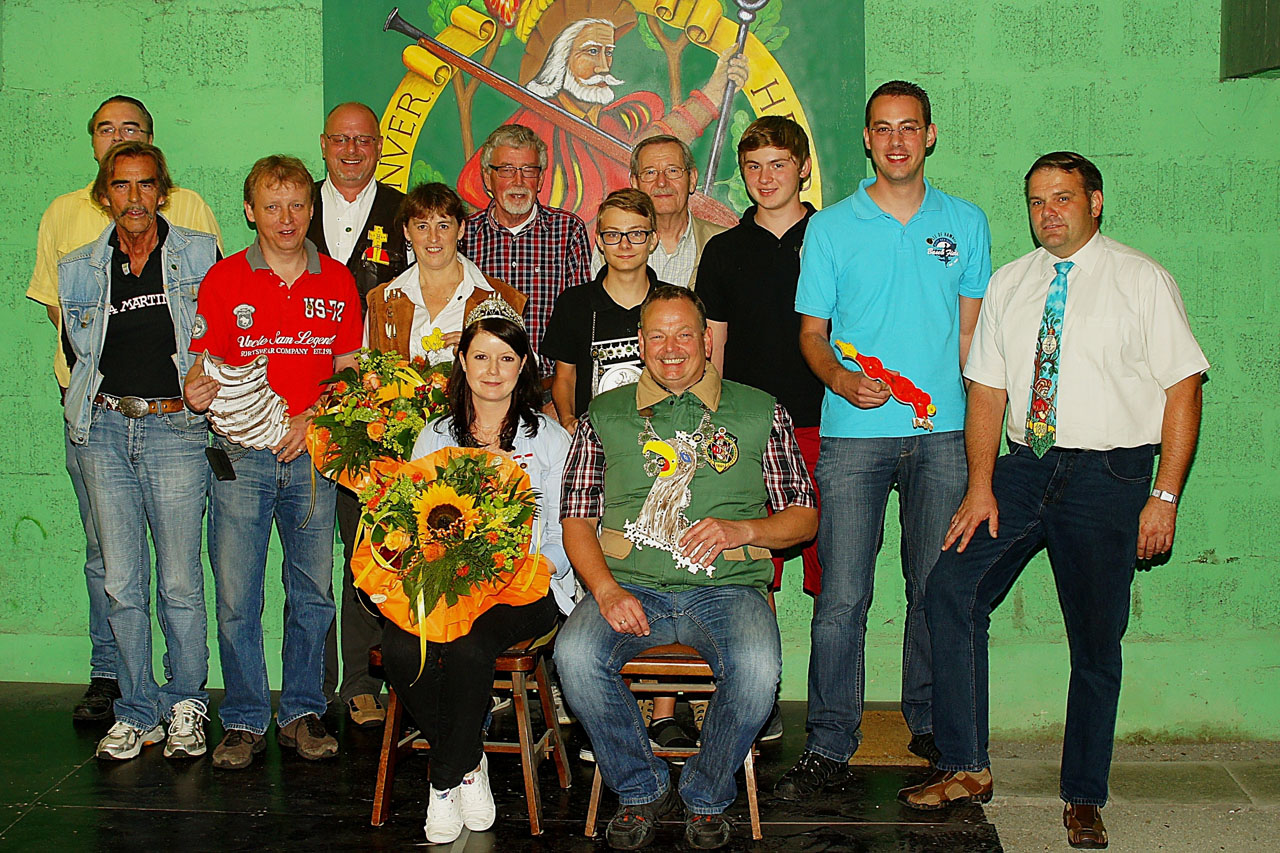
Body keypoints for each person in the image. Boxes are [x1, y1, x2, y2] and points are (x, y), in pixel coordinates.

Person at [899, 152, 1208, 850]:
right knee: (950, 589)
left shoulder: (1141, 279)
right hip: (1024, 467)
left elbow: (1183, 387)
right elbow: (988, 390)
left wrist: (1164, 495)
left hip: (1111, 474)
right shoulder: (1011, 282)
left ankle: (1084, 796)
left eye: (1063, 198)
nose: (1049, 213)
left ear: (1095, 202)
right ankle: (966, 765)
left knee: (1095, 640)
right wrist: (981, 484)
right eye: (1037, 201)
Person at [778, 80, 992, 799]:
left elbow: (972, 339)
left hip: (945, 437)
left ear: (929, 135)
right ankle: (830, 739)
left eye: (909, 127)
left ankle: (930, 724)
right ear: (867, 140)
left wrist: (981, 425)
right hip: (853, 439)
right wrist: (840, 379)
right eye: (882, 128)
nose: (896, 140)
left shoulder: (966, 221)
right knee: (842, 594)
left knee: (935, 587)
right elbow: (812, 335)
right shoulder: (831, 228)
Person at [556, 286, 817, 850]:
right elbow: (576, 519)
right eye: (657, 336)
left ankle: (706, 792)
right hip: (631, 586)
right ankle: (640, 787)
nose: (670, 348)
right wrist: (605, 591)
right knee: (574, 656)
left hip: (727, 591)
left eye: (683, 335)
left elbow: (804, 516)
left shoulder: (760, 410)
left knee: (757, 668)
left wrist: (745, 531)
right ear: (640, 344)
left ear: (706, 340)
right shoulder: (604, 414)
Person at [27, 95, 221, 721]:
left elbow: (222, 335)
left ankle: (187, 703)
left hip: (176, 430)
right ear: (104, 194)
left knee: (180, 581)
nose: (134, 198)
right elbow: (75, 348)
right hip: (105, 431)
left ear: (162, 192)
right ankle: (136, 709)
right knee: (119, 581)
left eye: (145, 185)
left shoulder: (199, 254)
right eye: (121, 186)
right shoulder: (78, 268)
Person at [183, 156, 362, 770]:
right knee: (238, 595)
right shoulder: (224, 279)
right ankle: (242, 717)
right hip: (240, 458)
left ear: (311, 210)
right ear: (250, 211)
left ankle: (303, 710)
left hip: (312, 458)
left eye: (296, 206)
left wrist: (314, 419)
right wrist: (195, 390)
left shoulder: (337, 281)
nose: (286, 219)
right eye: (272, 206)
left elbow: (349, 373)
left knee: (312, 592)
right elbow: (202, 363)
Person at [385, 305, 571, 844]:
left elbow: (566, 528)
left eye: (506, 358)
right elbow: (409, 521)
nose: (493, 370)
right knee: (401, 651)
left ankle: (442, 781)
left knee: (468, 647)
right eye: (481, 357)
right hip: (445, 584)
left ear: (523, 366)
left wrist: (528, 569)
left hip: (527, 586)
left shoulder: (549, 438)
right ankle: (469, 762)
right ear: (462, 361)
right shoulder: (435, 437)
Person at [452, 0, 747, 225]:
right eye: (592, 52)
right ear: (558, 58)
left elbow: (657, 142)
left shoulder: (610, 123)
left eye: (609, 52)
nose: (605, 66)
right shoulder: (526, 136)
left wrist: (715, 89)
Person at [699, 115, 826, 597]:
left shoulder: (833, 239)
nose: (765, 177)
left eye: (778, 164)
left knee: (833, 573)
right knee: (751, 574)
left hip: (825, 425)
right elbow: (714, 346)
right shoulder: (723, 250)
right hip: (749, 430)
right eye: (753, 166)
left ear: (804, 168)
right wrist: (712, 422)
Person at [457, 124, 592, 388]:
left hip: (549, 388)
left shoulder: (568, 231)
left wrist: (561, 398)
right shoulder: (465, 235)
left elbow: (582, 323)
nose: (518, 181)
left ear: (540, 180)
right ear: (487, 178)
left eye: (528, 170)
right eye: (506, 170)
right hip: (481, 387)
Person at [543, 188, 663, 435]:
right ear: (598, 240)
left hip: (662, 434)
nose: (624, 244)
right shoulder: (573, 304)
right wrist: (567, 419)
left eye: (636, 234)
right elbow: (564, 377)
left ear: (653, 239)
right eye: (613, 234)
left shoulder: (672, 303)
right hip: (595, 439)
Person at [365, 182, 526, 362]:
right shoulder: (381, 301)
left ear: (461, 229)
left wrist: (480, 352)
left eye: (443, 226)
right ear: (407, 232)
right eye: (422, 226)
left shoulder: (503, 299)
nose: (433, 238)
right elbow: (368, 372)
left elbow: (523, 370)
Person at [589, 135, 727, 287]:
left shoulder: (724, 244)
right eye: (650, 173)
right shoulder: (613, 245)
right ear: (635, 183)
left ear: (692, 179)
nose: (661, 182)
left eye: (673, 171)